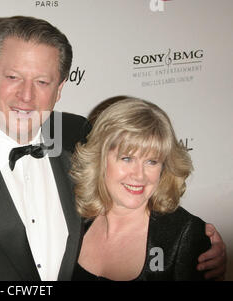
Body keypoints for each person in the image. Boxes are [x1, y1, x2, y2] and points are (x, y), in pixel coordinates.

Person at [0, 16, 226, 281]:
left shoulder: (81, 137)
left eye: (42, 82)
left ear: (59, 88)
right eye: (13, 77)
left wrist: (195, 241)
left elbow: (137, 187)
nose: (26, 96)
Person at [70, 97, 214, 280]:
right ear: (100, 159)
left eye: (151, 161)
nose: (139, 175)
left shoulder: (184, 235)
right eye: (127, 159)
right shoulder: (74, 217)